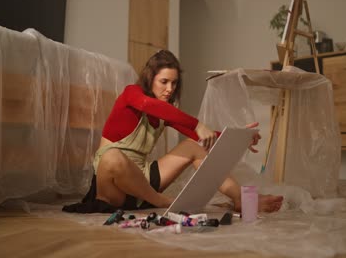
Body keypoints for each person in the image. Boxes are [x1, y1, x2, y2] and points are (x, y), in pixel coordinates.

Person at [63, 50, 283, 213]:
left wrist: (239, 138)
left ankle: (239, 199)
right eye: (164, 82)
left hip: (144, 179)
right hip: (114, 189)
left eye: (174, 83)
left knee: (193, 146)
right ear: (150, 79)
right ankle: (161, 201)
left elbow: (200, 136)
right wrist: (198, 123)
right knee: (112, 157)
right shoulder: (132, 93)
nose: (170, 89)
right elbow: (150, 106)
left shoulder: (165, 112)